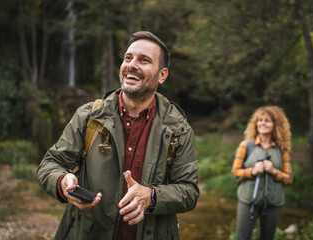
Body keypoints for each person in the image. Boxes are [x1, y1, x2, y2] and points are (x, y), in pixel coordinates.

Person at [36, 31, 199, 240]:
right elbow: (49, 164)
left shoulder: (179, 128)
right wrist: (62, 181)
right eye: (128, 58)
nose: (132, 65)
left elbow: (189, 191)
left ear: (162, 75)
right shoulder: (88, 116)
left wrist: (151, 196)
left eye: (144, 60)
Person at [231, 106, 293, 240]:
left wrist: (273, 171)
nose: (263, 123)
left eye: (267, 121)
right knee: (242, 237)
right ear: (255, 123)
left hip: (273, 203)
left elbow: (288, 178)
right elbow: (236, 172)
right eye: (260, 120)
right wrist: (252, 171)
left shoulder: (282, 149)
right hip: (248, 201)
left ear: (276, 125)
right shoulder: (246, 146)